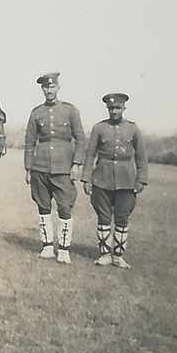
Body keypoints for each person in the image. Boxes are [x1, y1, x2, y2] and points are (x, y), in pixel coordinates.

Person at [23, 72, 85, 264]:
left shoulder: (70, 111)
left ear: (58, 87)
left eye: (52, 87)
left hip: (64, 166)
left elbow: (81, 139)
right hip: (40, 166)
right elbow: (30, 142)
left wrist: (76, 164)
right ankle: (47, 246)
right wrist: (28, 168)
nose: (49, 90)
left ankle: (64, 249)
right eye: (45, 87)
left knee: (65, 207)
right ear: (42, 89)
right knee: (43, 206)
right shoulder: (36, 113)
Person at [82, 93, 149, 268]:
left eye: (117, 108)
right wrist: (86, 179)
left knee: (122, 218)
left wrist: (141, 179)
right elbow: (90, 155)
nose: (114, 111)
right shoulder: (99, 128)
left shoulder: (133, 129)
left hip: (126, 180)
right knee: (103, 217)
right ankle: (104, 254)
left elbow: (141, 156)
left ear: (124, 108)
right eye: (111, 108)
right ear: (107, 109)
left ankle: (118, 256)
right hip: (101, 179)